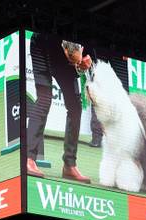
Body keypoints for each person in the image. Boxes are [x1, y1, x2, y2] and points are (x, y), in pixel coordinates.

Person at [26, 32, 93, 183]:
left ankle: (69, 165)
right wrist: (75, 58)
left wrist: (88, 57)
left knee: (75, 106)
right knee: (44, 99)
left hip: (64, 51)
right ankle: (29, 158)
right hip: (42, 45)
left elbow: (87, 50)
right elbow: (72, 54)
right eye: (73, 61)